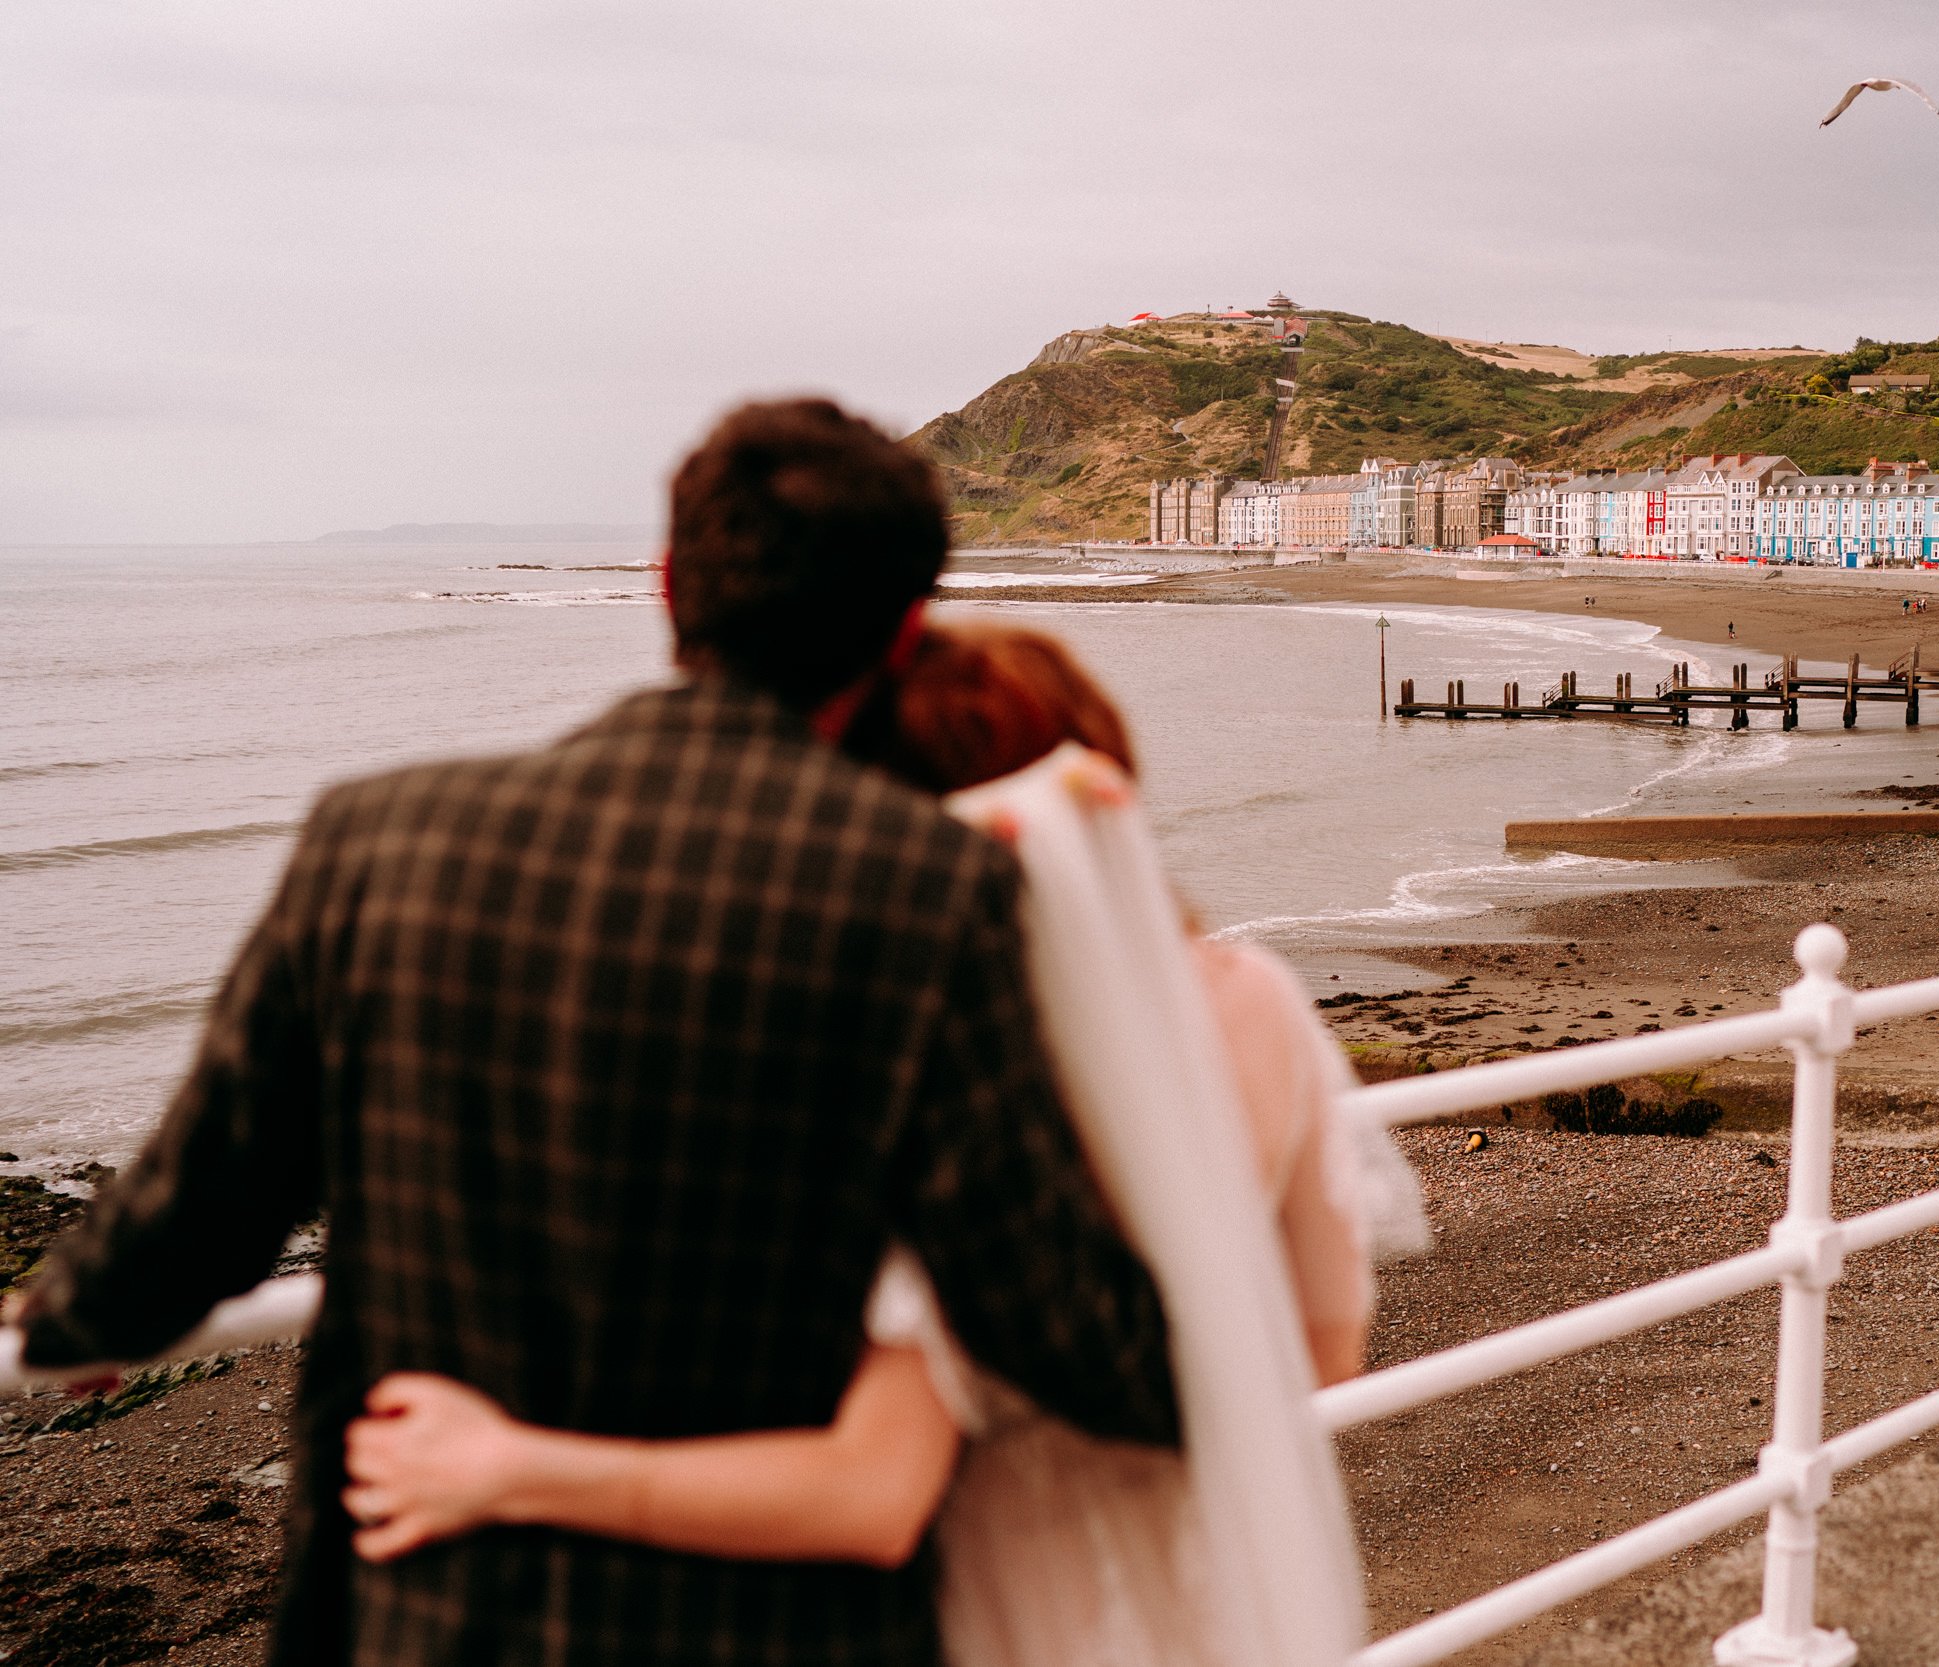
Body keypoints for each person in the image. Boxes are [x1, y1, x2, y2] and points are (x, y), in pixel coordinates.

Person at [4, 400, 1180, 1667]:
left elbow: (210, 1197)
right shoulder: (927, 891)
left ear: (671, 586)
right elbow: (1042, 1308)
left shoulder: (379, 838)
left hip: (424, 1619)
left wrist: (71, 1320)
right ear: (903, 627)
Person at [335, 623, 1409, 1666]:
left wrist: (508, 1465)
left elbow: (872, 1493)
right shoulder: (1254, 1000)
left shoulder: (948, 1088)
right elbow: (1324, 1346)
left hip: (1018, 1615)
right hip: (1221, 1595)